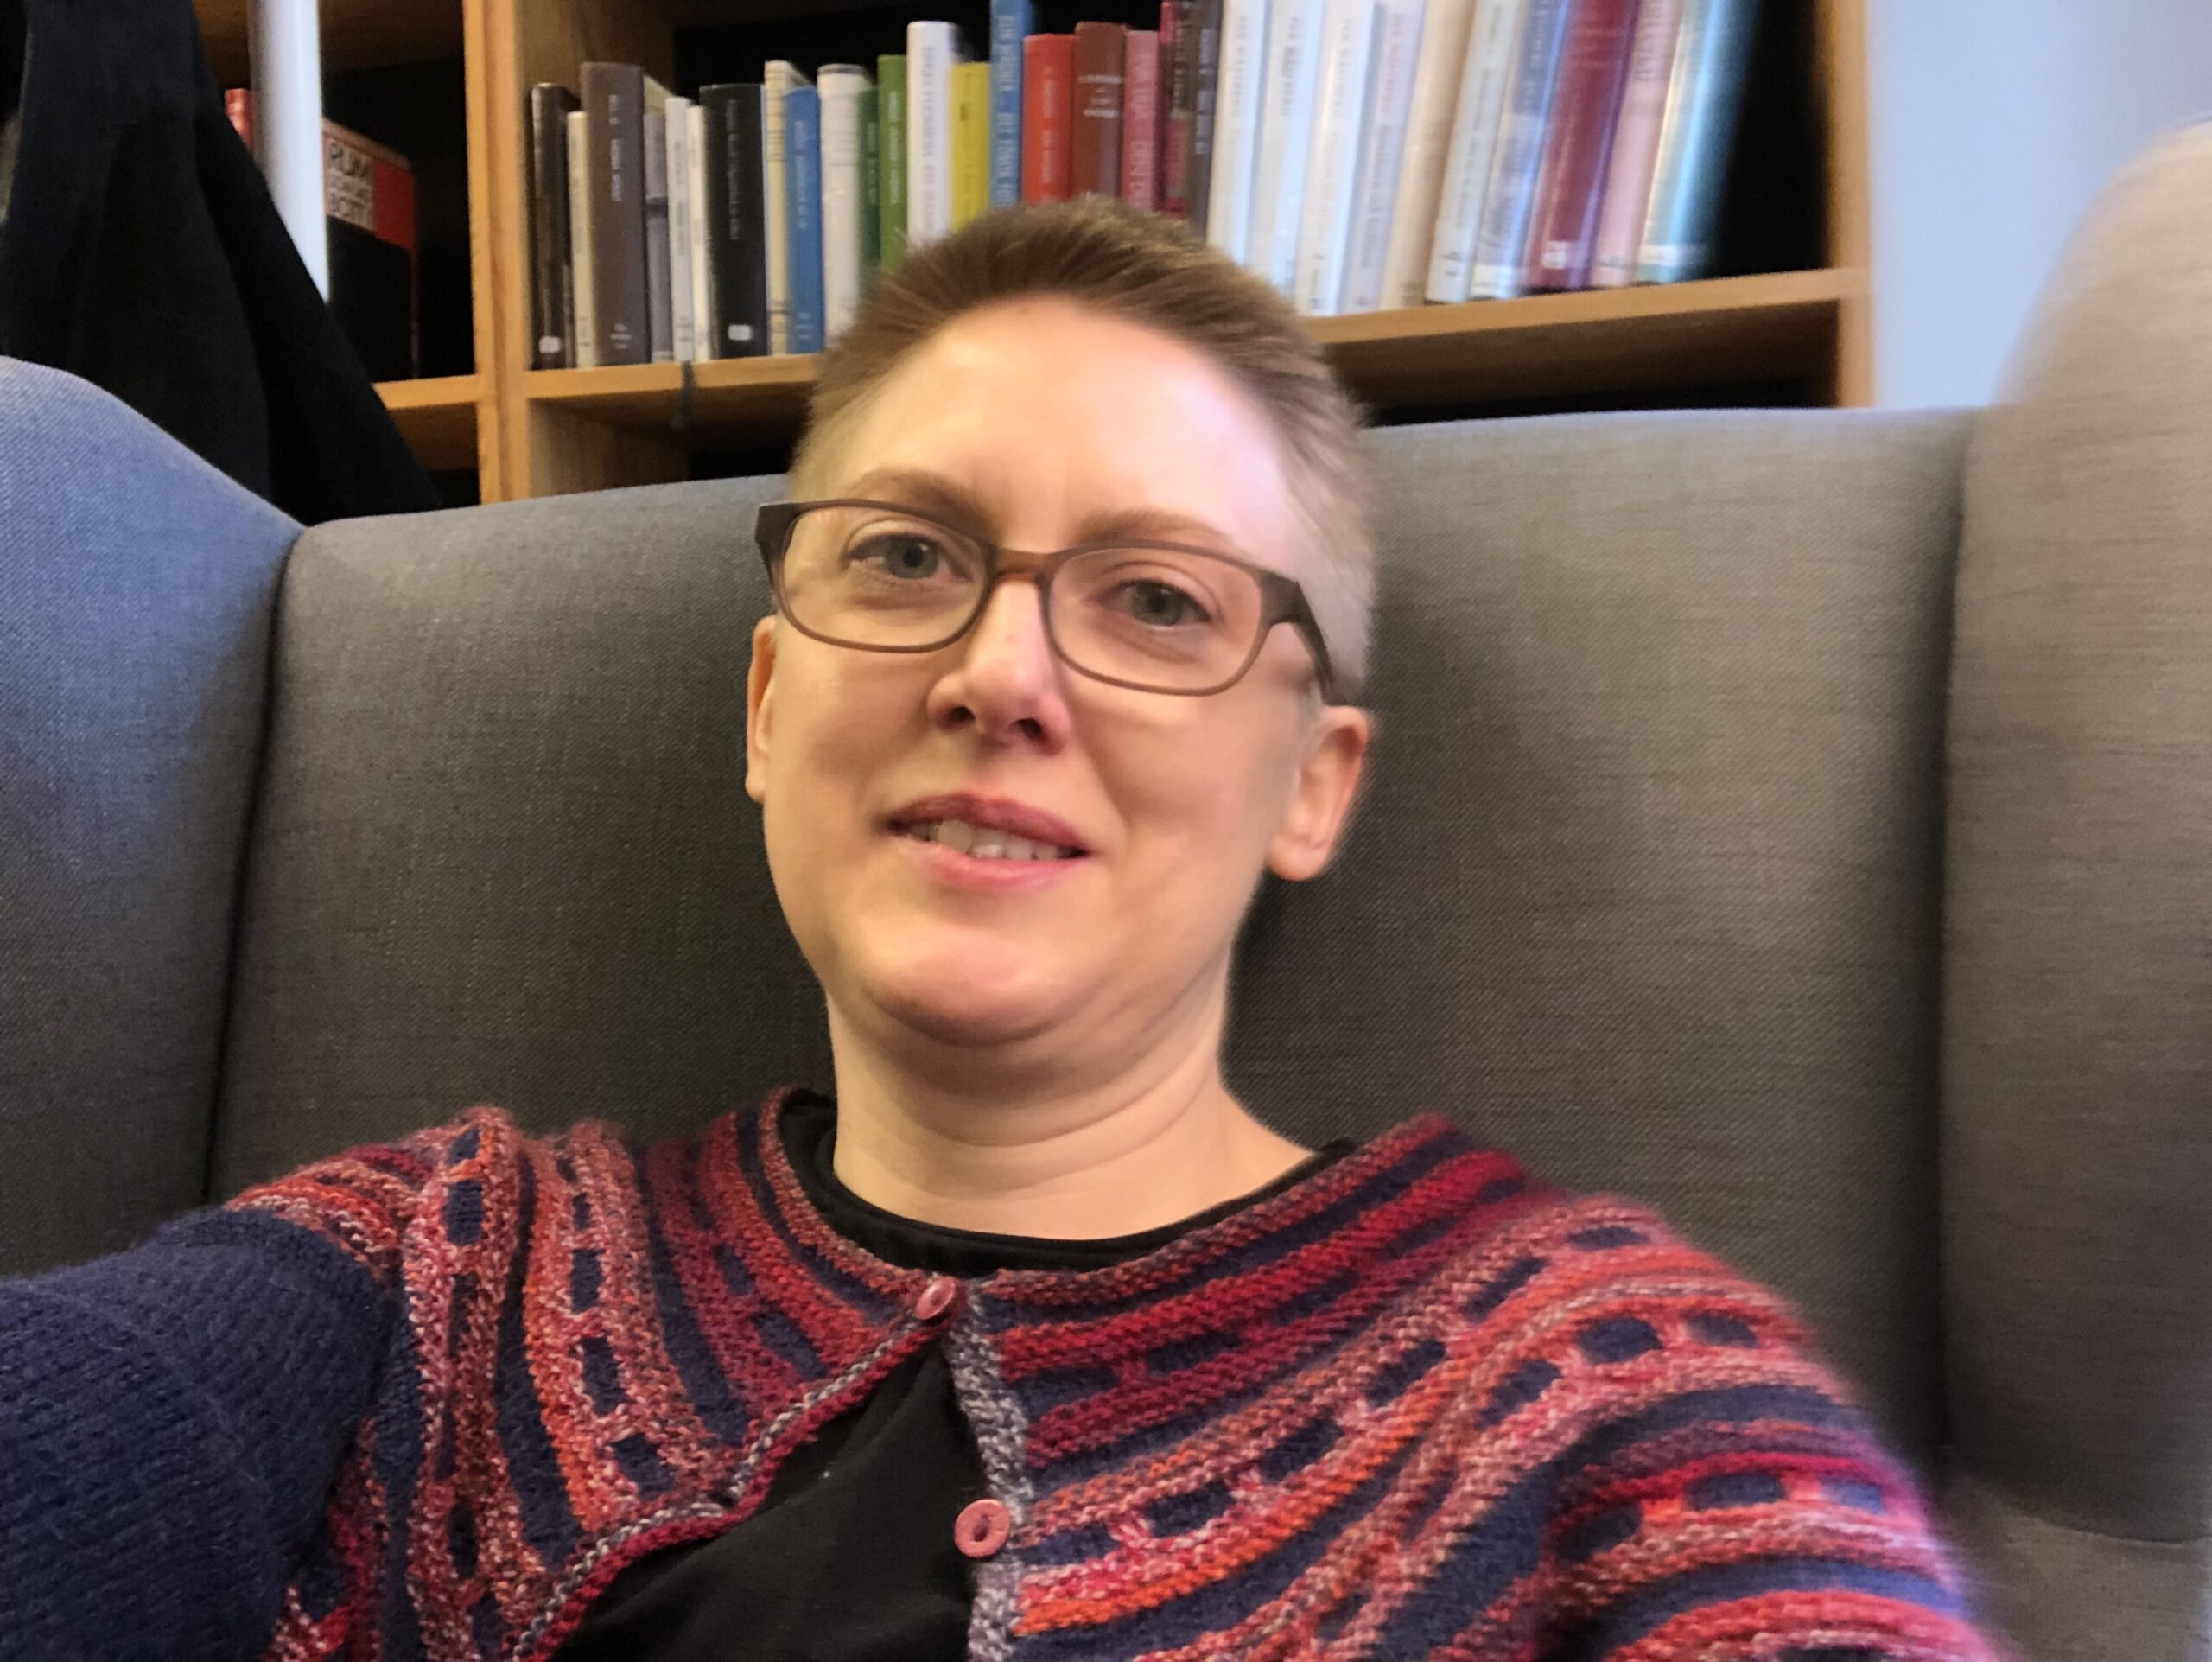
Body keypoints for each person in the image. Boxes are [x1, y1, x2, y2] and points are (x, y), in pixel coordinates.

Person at [0, 198, 2003, 1662]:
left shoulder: (1597, 1370)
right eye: (906, 554)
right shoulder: (439, 1276)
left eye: (1158, 598)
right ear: (769, 705)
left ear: (1310, 782)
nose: (999, 672)